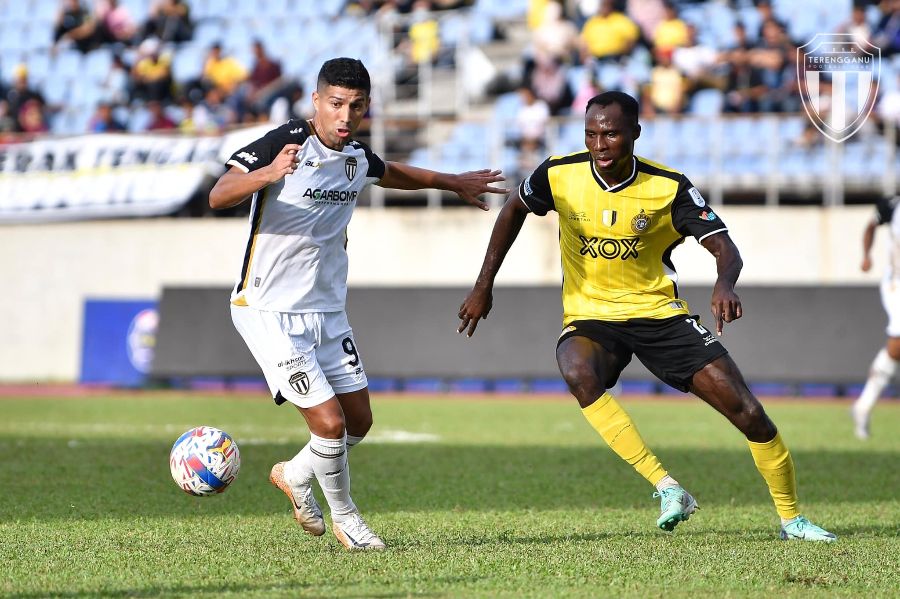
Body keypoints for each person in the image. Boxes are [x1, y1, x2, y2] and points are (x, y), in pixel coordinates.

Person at [456, 91, 836, 542]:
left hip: (659, 315)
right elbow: (515, 209)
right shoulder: (559, 173)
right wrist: (484, 284)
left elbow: (723, 245)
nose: (600, 145)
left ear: (635, 133)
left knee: (749, 413)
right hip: (592, 315)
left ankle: (792, 519)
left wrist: (724, 284)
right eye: (592, 134)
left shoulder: (669, 186)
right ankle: (668, 487)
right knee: (576, 369)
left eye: (612, 134)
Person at [209, 57, 508, 550]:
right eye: (336, 104)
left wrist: (451, 182)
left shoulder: (354, 156)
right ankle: (348, 519)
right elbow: (219, 194)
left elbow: (391, 172)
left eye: (356, 106)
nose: (345, 116)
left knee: (360, 421)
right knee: (328, 423)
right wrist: (267, 174)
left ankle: (294, 473)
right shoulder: (283, 143)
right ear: (316, 102)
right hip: (268, 311)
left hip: (327, 312)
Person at [853, 196, 900, 440]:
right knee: (897, 343)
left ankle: (863, 406)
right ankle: (863, 407)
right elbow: (871, 226)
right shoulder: (892, 205)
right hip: (897, 285)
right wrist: (866, 255)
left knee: (896, 351)